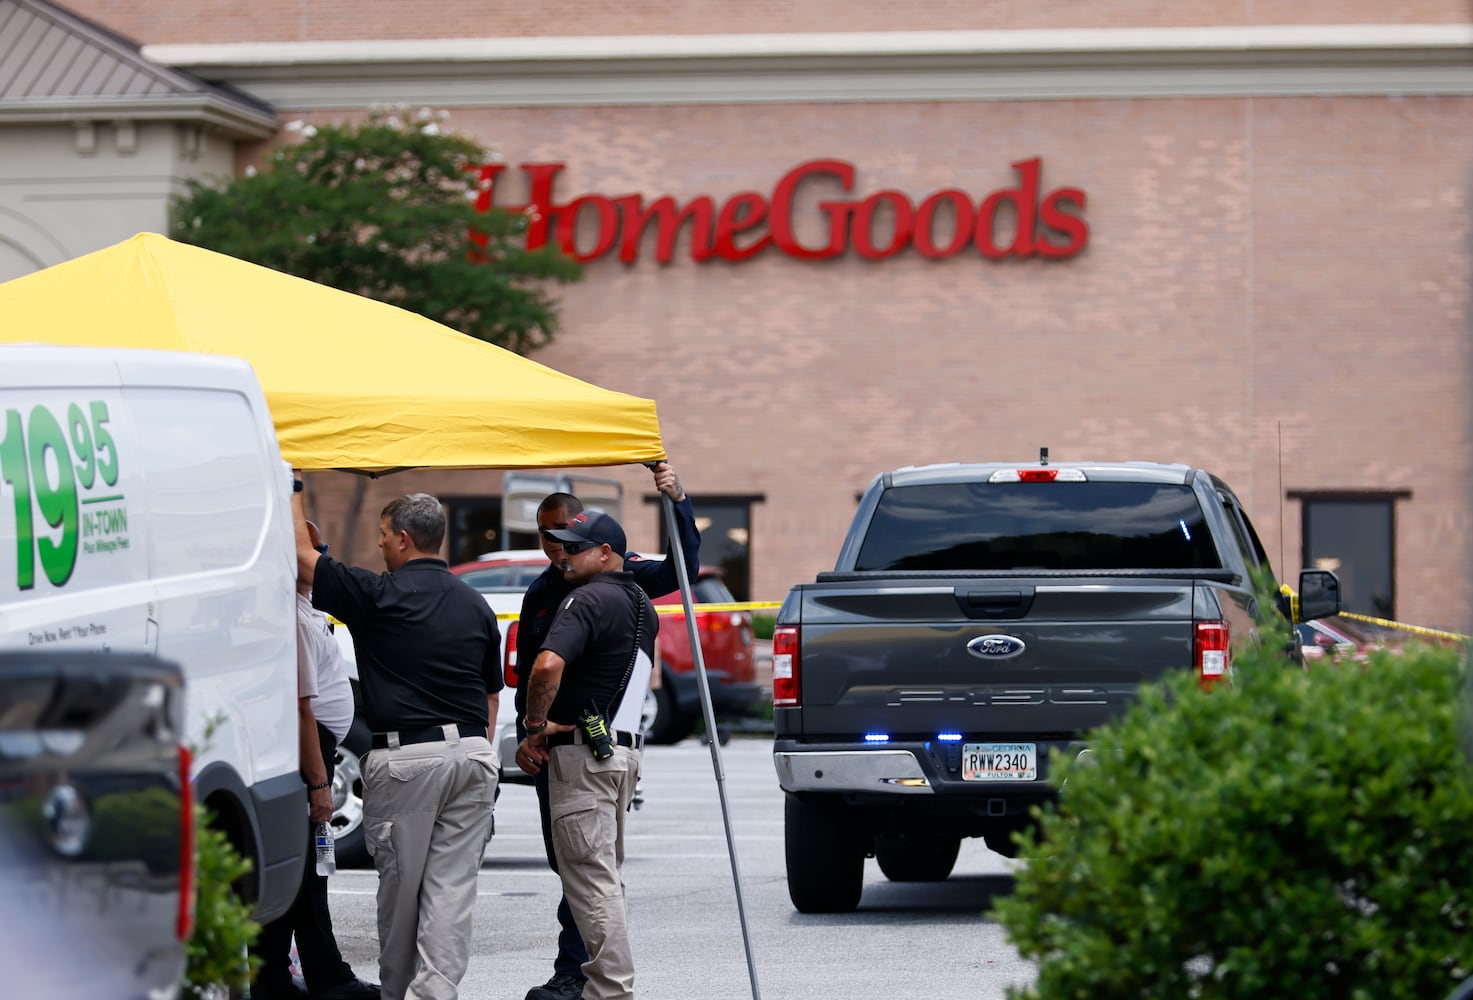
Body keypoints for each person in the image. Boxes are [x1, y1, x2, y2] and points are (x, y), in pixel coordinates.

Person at [291, 483, 501, 1000]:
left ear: (404, 539)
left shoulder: (377, 594)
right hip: (474, 756)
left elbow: (301, 556)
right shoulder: (477, 604)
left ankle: (398, 993)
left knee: (402, 893)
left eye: (384, 535)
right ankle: (436, 993)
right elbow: (492, 695)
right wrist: (477, 756)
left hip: (407, 759)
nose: (380, 545)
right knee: (451, 893)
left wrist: (292, 486)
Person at [512, 462, 699, 1000]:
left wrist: (678, 502)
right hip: (572, 745)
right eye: (548, 538)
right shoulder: (547, 590)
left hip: (590, 745)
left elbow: (684, 568)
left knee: (589, 872)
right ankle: (585, 973)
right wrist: (535, 734)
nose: (556, 549)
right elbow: (531, 668)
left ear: (598, 547)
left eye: (565, 538)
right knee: (577, 864)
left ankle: (588, 979)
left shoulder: (613, 584)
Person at [517, 510, 658, 1000]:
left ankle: (610, 992)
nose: (564, 555)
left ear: (606, 553)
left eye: (575, 547)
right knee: (604, 880)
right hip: (618, 751)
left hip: (585, 759)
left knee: (592, 885)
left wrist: (535, 725)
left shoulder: (587, 597)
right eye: (561, 545)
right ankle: (607, 987)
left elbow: (547, 665)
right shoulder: (640, 602)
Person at [253, 522, 381, 1000]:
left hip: (320, 746)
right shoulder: (292, 616)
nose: (320, 556)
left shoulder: (306, 610)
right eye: (314, 548)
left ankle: (301, 974)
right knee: (302, 870)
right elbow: (302, 706)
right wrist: (318, 781)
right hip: (311, 750)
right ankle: (301, 976)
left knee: (306, 871)